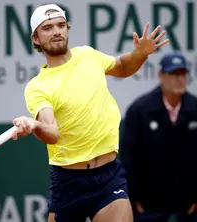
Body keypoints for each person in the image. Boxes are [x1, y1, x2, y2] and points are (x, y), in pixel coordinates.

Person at [11, 4, 169, 222]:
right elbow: (52, 133)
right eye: (47, 28)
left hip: (108, 176)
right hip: (68, 183)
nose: (56, 31)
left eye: (61, 25)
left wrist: (139, 54)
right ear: (36, 38)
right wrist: (37, 126)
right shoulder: (37, 87)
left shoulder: (87, 55)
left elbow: (122, 66)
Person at [120, 53, 197, 222]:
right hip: (149, 204)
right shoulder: (139, 110)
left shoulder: (195, 108)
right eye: (173, 74)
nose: (179, 79)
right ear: (161, 76)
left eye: (182, 74)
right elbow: (129, 157)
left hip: (189, 203)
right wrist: (133, 197)